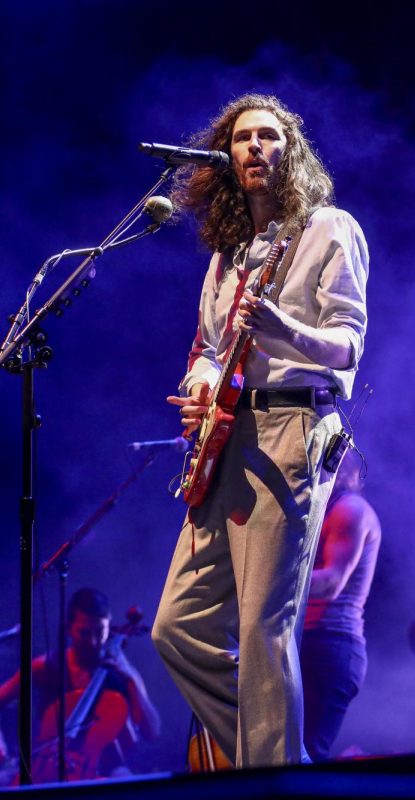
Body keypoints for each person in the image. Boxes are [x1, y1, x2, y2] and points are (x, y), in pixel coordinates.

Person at [151, 93, 369, 769]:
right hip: (229, 437)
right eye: (242, 138)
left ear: (290, 150)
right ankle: (276, 765)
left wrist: (284, 329)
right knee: (176, 628)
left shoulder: (330, 229)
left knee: (261, 626)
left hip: (294, 426)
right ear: (224, 156)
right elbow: (210, 351)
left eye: (269, 137)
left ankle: (272, 777)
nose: (254, 147)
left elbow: (347, 345)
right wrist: (199, 389)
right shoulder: (228, 255)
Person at [0, 587, 161, 784]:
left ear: (109, 627)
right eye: (84, 633)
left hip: (105, 763)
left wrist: (130, 679)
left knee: (126, 785)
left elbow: (152, 731)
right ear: (68, 628)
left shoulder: (122, 672)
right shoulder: (48, 665)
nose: (93, 642)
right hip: (47, 759)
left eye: (100, 632)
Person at [301, 451, 381, 762]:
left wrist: (268, 579)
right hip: (311, 644)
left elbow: (332, 583)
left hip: (331, 647)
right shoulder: (320, 511)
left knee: (305, 754)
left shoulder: (350, 510)